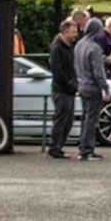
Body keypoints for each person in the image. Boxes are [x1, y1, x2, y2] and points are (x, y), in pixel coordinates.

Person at [74, 18, 111, 161]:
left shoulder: (79, 45)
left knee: (85, 118)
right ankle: (87, 150)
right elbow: (98, 72)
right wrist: (105, 89)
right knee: (91, 119)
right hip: (93, 87)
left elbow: (76, 66)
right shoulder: (94, 48)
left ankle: (82, 148)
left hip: (82, 85)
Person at [47, 19, 78, 160]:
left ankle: (59, 146)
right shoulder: (57, 48)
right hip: (61, 90)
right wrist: (69, 84)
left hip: (69, 90)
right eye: (73, 31)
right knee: (61, 120)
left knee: (69, 120)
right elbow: (57, 71)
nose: (75, 34)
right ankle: (54, 147)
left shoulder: (69, 46)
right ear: (65, 32)